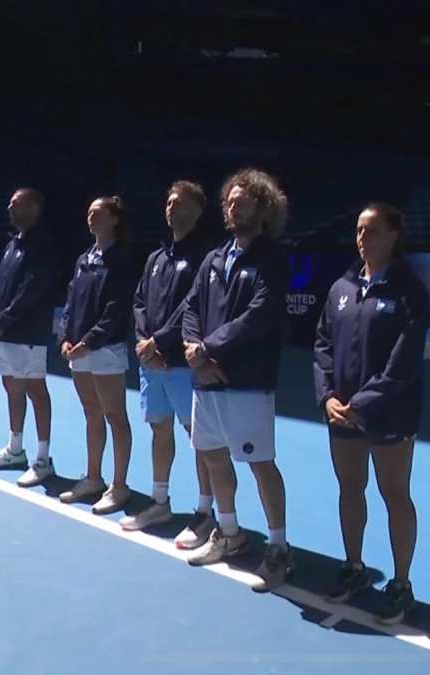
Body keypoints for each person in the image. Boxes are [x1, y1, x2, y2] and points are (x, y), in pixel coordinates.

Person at [313, 203, 429, 625]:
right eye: (360, 230)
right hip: (341, 413)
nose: (363, 237)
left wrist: (360, 405)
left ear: (393, 236)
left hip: (390, 414)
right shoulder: (341, 288)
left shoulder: (410, 290)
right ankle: (354, 567)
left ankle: (401, 584)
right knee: (350, 488)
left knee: (394, 495)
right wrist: (327, 397)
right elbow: (323, 346)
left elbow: (403, 362)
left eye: (373, 230)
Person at [181, 168, 293, 592]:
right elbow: (191, 308)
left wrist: (206, 348)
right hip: (206, 380)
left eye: (242, 202)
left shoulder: (272, 259)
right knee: (212, 455)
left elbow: (257, 316)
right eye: (230, 202)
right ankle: (229, 532)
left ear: (263, 208)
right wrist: (195, 351)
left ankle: (279, 548)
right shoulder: (214, 257)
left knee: (260, 464)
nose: (233, 208)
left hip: (246, 380)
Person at [121, 181, 219, 552]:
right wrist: (144, 342)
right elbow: (139, 302)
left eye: (179, 202)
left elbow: (192, 307)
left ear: (197, 210)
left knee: (199, 437)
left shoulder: (206, 256)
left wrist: (158, 342)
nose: (171, 207)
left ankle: (205, 512)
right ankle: (160, 502)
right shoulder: (156, 257)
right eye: (168, 201)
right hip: (151, 362)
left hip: (182, 363)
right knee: (159, 429)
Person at [57, 196, 137, 515]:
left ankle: (119, 486)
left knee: (114, 415)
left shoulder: (121, 261)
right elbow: (71, 303)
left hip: (106, 350)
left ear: (114, 219)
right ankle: (93, 478)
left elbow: (116, 310)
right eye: (89, 212)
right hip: (79, 350)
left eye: (98, 213)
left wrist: (89, 341)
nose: (91, 217)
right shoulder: (83, 259)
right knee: (91, 412)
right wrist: (65, 337)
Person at [0, 188, 62, 487]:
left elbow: (33, 287)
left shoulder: (42, 244)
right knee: (11, 386)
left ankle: (43, 459)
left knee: (35, 391)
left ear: (34, 208)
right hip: (6, 332)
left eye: (17, 203)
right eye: (10, 202)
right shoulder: (13, 244)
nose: (10, 207)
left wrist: (4, 319)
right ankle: (14, 450)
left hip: (29, 332)